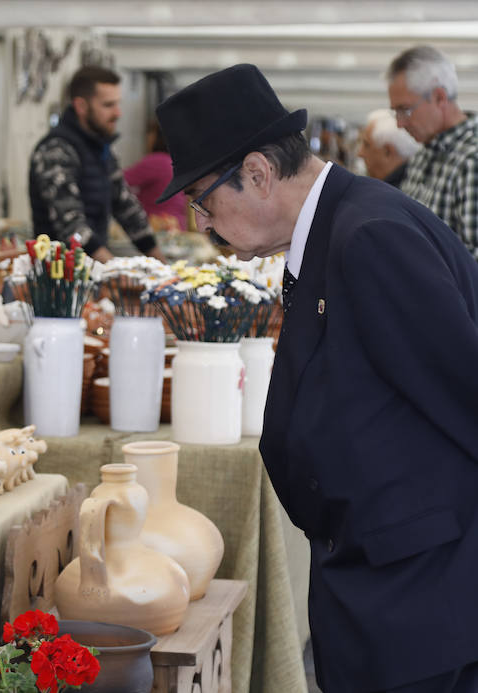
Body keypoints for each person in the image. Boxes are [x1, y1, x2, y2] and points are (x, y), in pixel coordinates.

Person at [155, 63, 478, 692]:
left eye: (203, 200)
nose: (202, 223)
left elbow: (465, 391)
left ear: (257, 172)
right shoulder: (335, 228)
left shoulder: (370, 237)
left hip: (417, 597)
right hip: (383, 579)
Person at [28, 66, 166, 263]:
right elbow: (72, 227)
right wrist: (113, 270)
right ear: (81, 106)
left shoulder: (101, 149)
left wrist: (163, 267)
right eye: (108, 105)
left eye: (118, 104)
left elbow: (126, 207)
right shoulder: (55, 150)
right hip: (60, 278)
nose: (118, 113)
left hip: (93, 270)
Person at [387, 45, 478, 258]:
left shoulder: (471, 162)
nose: (400, 123)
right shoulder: (422, 157)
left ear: (439, 97)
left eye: (405, 110)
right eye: (396, 112)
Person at [123, 120, 188, 230]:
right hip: (178, 224)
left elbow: (117, 179)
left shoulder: (157, 161)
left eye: (150, 134)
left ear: (158, 137)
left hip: (161, 225)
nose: (147, 139)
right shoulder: (175, 162)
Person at [357, 108, 419, 187]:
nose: (360, 153)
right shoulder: (413, 186)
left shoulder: (391, 195)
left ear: (387, 152)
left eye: (366, 145)